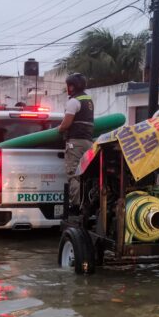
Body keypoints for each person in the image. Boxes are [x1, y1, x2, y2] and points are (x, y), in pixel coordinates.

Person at [57, 73, 94, 213]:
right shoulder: (88, 100)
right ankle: (87, 204)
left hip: (75, 143)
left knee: (74, 174)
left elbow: (66, 123)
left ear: (71, 86)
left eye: (68, 86)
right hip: (88, 142)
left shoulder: (73, 101)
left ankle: (75, 206)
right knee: (85, 175)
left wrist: (59, 129)